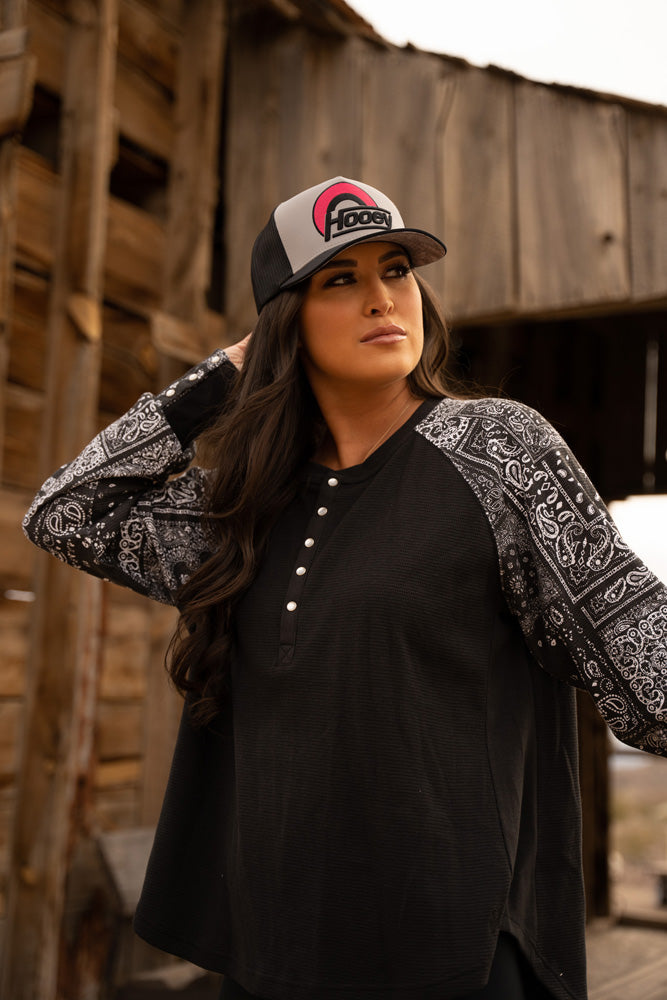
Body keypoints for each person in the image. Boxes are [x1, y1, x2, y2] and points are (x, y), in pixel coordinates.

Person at [23, 177, 667, 1000]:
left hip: (454, 956)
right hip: (267, 958)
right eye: (341, 279)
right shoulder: (243, 505)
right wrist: (218, 379)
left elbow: (645, 660)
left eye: (396, 270)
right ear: (284, 323)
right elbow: (65, 511)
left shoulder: (498, 449)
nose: (381, 299)